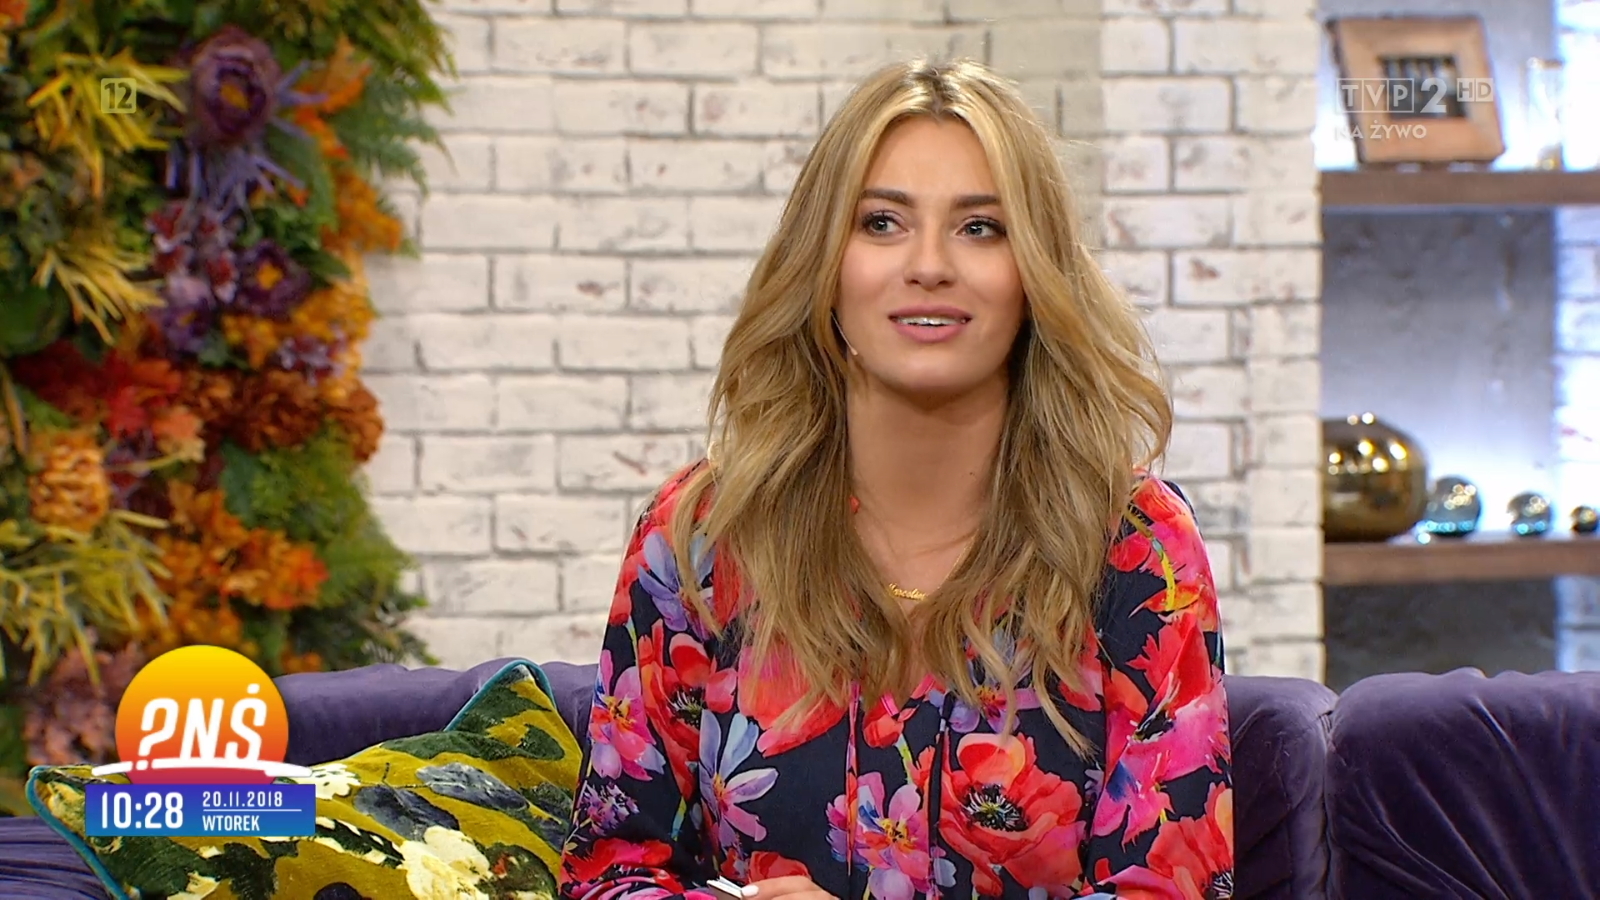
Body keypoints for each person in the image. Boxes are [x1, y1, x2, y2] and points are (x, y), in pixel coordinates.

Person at [558, 57, 1232, 900]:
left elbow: (1171, 888)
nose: (929, 264)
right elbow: (609, 869)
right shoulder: (702, 537)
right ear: (824, 262)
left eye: (980, 227)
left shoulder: (1137, 547)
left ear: (1035, 273)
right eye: (882, 223)